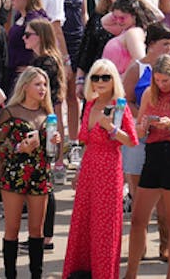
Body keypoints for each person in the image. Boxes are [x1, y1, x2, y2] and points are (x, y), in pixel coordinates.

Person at [62, 60, 138, 279]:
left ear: (114, 80)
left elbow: (132, 141)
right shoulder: (89, 105)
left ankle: (103, 274)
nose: (100, 82)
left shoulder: (119, 106)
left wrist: (111, 128)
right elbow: (85, 142)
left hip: (109, 168)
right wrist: (77, 170)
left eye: (106, 77)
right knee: (83, 222)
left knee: (104, 226)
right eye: (96, 77)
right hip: (88, 168)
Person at [125, 54, 170, 279]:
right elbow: (138, 130)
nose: (161, 84)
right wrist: (143, 126)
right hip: (153, 155)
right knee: (138, 219)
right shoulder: (149, 94)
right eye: (157, 79)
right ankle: (131, 273)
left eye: (165, 81)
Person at [0, 66, 61, 279]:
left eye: (45, 85)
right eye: (38, 84)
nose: (43, 89)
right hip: (14, 175)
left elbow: (54, 155)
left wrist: (56, 144)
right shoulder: (11, 112)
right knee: (11, 230)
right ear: (26, 86)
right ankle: (10, 275)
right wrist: (20, 148)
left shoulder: (48, 114)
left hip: (40, 174)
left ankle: (36, 276)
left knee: (36, 231)